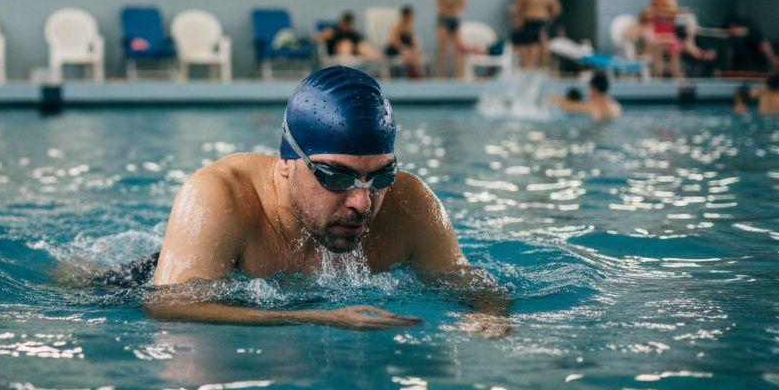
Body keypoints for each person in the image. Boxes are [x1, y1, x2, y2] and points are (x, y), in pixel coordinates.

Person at [146, 66, 509, 335]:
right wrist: (315, 317)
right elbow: (169, 305)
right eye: (336, 177)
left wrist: (489, 315)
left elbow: (473, 285)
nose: (362, 203)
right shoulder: (219, 196)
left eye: (381, 177)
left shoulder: (411, 203)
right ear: (288, 162)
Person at [511, 0, 560, 71]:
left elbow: (555, 9)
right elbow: (519, 7)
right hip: (529, 20)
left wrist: (550, 20)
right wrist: (518, 20)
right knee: (528, 45)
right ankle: (529, 66)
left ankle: (541, 66)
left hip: (542, 21)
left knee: (541, 45)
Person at [433, 0, 466, 78]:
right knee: (443, 48)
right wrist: (452, 4)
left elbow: (462, 3)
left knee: (458, 48)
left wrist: (453, 6)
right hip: (443, 19)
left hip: (454, 19)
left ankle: (459, 74)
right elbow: (442, 5)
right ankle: (442, 74)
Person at [646, 0, 682, 77]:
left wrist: (660, 13)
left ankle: (676, 74)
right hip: (659, 35)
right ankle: (657, 76)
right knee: (656, 54)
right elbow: (652, 16)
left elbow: (674, 13)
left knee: (674, 59)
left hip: (669, 33)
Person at [550, 71, 622, 120]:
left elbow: (569, 107)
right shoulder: (615, 105)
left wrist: (555, 98)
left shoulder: (593, 104)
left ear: (594, 89)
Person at [314, 11, 380, 60]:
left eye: (349, 24)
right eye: (346, 23)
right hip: (339, 52)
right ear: (341, 23)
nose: (347, 26)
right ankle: (346, 69)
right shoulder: (333, 32)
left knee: (364, 47)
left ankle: (383, 63)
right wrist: (323, 36)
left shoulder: (353, 34)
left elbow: (360, 44)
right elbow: (317, 38)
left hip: (353, 52)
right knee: (346, 45)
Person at [385, 5, 424, 78]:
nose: (412, 18)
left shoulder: (410, 27)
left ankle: (416, 75)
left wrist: (414, 50)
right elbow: (393, 41)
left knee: (416, 56)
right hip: (394, 49)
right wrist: (403, 49)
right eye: (411, 16)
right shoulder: (398, 26)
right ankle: (411, 76)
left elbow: (412, 42)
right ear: (406, 16)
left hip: (405, 49)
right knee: (409, 55)